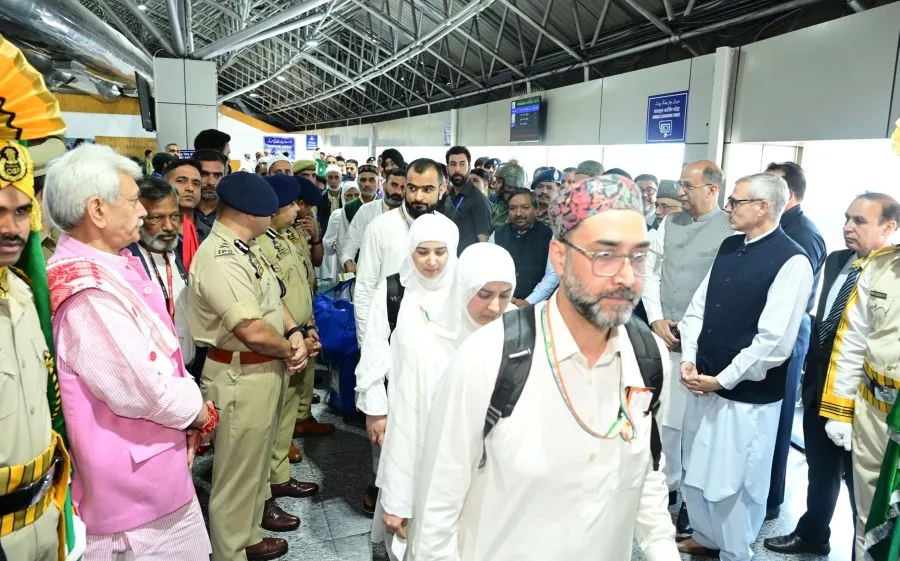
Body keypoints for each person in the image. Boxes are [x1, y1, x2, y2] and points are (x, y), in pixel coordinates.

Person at [411, 174, 678, 561]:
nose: (625, 276)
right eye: (604, 255)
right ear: (560, 256)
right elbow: (438, 504)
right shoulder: (490, 357)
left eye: (637, 256)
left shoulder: (647, 358)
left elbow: (649, 474)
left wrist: (661, 550)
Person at [44, 144, 214, 558]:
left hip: (149, 471)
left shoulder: (109, 265)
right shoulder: (88, 293)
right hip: (133, 499)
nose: (142, 212)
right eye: (134, 200)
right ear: (98, 210)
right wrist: (198, 409)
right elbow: (142, 389)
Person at [676, 173, 814, 560]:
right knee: (696, 466)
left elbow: (774, 342)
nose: (728, 208)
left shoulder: (791, 260)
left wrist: (723, 379)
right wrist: (689, 359)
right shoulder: (730, 245)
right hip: (703, 380)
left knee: (734, 479)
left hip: (745, 394)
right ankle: (706, 536)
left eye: (735, 202)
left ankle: (736, 550)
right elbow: (697, 310)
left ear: (763, 207)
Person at [764, 192, 898, 556]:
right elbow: (829, 320)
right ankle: (814, 532)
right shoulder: (839, 259)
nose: (848, 227)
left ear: (889, 227)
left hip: (868, 395)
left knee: (863, 480)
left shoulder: (889, 272)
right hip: (821, 379)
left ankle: (865, 545)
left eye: (860, 222)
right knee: (820, 466)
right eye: (847, 218)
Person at [187, 172, 309, 561]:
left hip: (264, 370)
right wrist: (291, 350)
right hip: (240, 374)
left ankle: (250, 534)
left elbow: (274, 300)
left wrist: (293, 331)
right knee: (237, 475)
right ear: (249, 214)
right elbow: (251, 329)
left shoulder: (246, 247)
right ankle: (230, 551)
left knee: (255, 467)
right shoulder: (219, 257)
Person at [379, 242, 515, 558]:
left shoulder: (519, 340)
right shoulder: (431, 347)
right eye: (483, 294)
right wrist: (398, 500)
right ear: (463, 287)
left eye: (505, 295)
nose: (495, 307)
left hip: (502, 489)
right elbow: (407, 423)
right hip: (440, 482)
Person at [641, 160, 733, 535]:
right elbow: (652, 269)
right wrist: (656, 318)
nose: (679, 193)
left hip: (702, 343)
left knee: (694, 427)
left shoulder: (729, 228)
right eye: (680, 185)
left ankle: (693, 505)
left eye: (687, 186)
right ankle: (667, 487)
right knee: (664, 419)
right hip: (664, 334)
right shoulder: (669, 223)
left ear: (711, 190)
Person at [362, 213, 461, 553]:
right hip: (407, 412)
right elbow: (374, 352)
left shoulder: (466, 292)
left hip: (456, 416)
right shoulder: (393, 293)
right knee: (405, 490)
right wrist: (375, 410)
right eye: (422, 252)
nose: (431, 262)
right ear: (409, 251)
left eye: (440, 252)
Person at [354, 158, 447, 515]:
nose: (418, 195)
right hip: (387, 341)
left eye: (427, 189)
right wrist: (370, 353)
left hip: (431, 350)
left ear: (440, 190)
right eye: (412, 187)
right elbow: (364, 291)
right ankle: (382, 486)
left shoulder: (447, 230)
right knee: (386, 425)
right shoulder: (381, 227)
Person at [0, 140, 73, 561]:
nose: (11, 227)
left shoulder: (25, 294)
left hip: (44, 516)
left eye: (22, 211)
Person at [819, 206, 900, 560]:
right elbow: (852, 342)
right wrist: (840, 410)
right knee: (868, 512)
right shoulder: (879, 267)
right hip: (874, 412)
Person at [256, 175, 321, 533]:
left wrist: (309, 326)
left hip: (299, 335)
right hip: (280, 341)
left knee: (285, 416)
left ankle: (279, 477)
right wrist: (295, 332)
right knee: (273, 419)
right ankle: (266, 488)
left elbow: (301, 285)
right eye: (293, 204)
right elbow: (272, 298)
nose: (299, 209)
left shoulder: (286, 238)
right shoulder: (260, 245)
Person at [763, 161, 827, 520]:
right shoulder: (778, 227)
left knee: (778, 420)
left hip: (788, 336)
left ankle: (770, 500)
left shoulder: (801, 232)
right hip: (770, 333)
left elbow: (792, 299)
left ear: (785, 192)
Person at [127, 176, 194, 367]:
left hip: (192, 369)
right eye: (156, 217)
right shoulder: (125, 263)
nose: (169, 226)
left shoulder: (186, 253)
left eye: (174, 216)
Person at [489, 188, 552, 307]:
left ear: (536, 209)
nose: (518, 213)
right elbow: (489, 270)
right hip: (501, 302)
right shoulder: (497, 235)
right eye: (513, 208)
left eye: (525, 207)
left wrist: (529, 301)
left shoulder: (549, 236)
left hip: (536, 306)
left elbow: (552, 275)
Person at [342, 166, 405, 274]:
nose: (398, 192)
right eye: (394, 185)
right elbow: (349, 245)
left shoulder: (412, 214)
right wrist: (348, 262)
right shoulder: (366, 210)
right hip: (370, 278)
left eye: (403, 187)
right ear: (384, 185)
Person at [441, 146, 492, 255]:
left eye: (462, 164)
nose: (457, 169)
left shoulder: (479, 200)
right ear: (447, 168)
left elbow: (484, 243)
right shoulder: (448, 196)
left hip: (467, 264)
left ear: (469, 168)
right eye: (453, 164)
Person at [163, 158, 203, 271]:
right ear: (165, 184)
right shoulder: (151, 233)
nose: (190, 188)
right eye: (181, 181)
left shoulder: (210, 233)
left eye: (196, 184)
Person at [322, 182, 361, 284]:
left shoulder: (365, 213)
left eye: (357, 195)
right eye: (349, 195)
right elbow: (327, 241)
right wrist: (335, 245)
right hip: (342, 263)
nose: (353, 198)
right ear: (343, 197)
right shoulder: (337, 215)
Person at [193, 149, 228, 244]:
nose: (210, 182)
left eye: (217, 175)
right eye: (204, 174)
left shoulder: (232, 213)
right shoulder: (181, 210)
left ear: (225, 176)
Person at [489, 163, 526, 231]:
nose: (494, 186)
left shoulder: (525, 210)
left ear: (511, 186)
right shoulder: (495, 201)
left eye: (499, 182)